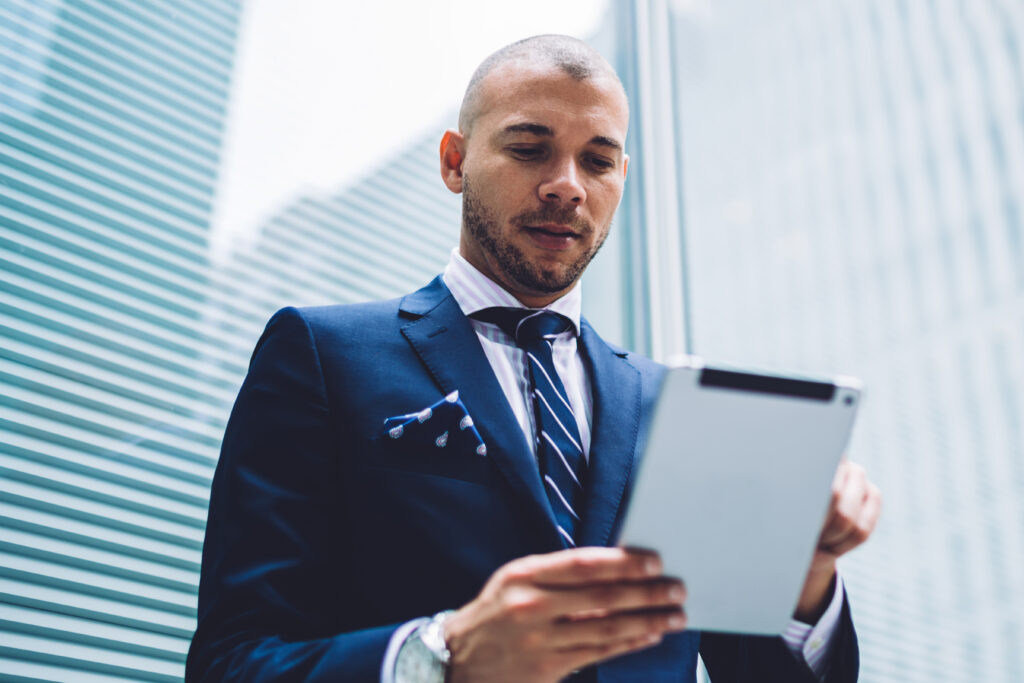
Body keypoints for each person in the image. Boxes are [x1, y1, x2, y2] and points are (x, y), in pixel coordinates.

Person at [186, 35, 881, 683]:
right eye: (529, 148)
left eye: (599, 161)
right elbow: (232, 658)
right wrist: (441, 655)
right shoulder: (321, 354)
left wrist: (806, 569)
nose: (567, 185)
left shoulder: (678, 411)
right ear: (454, 161)